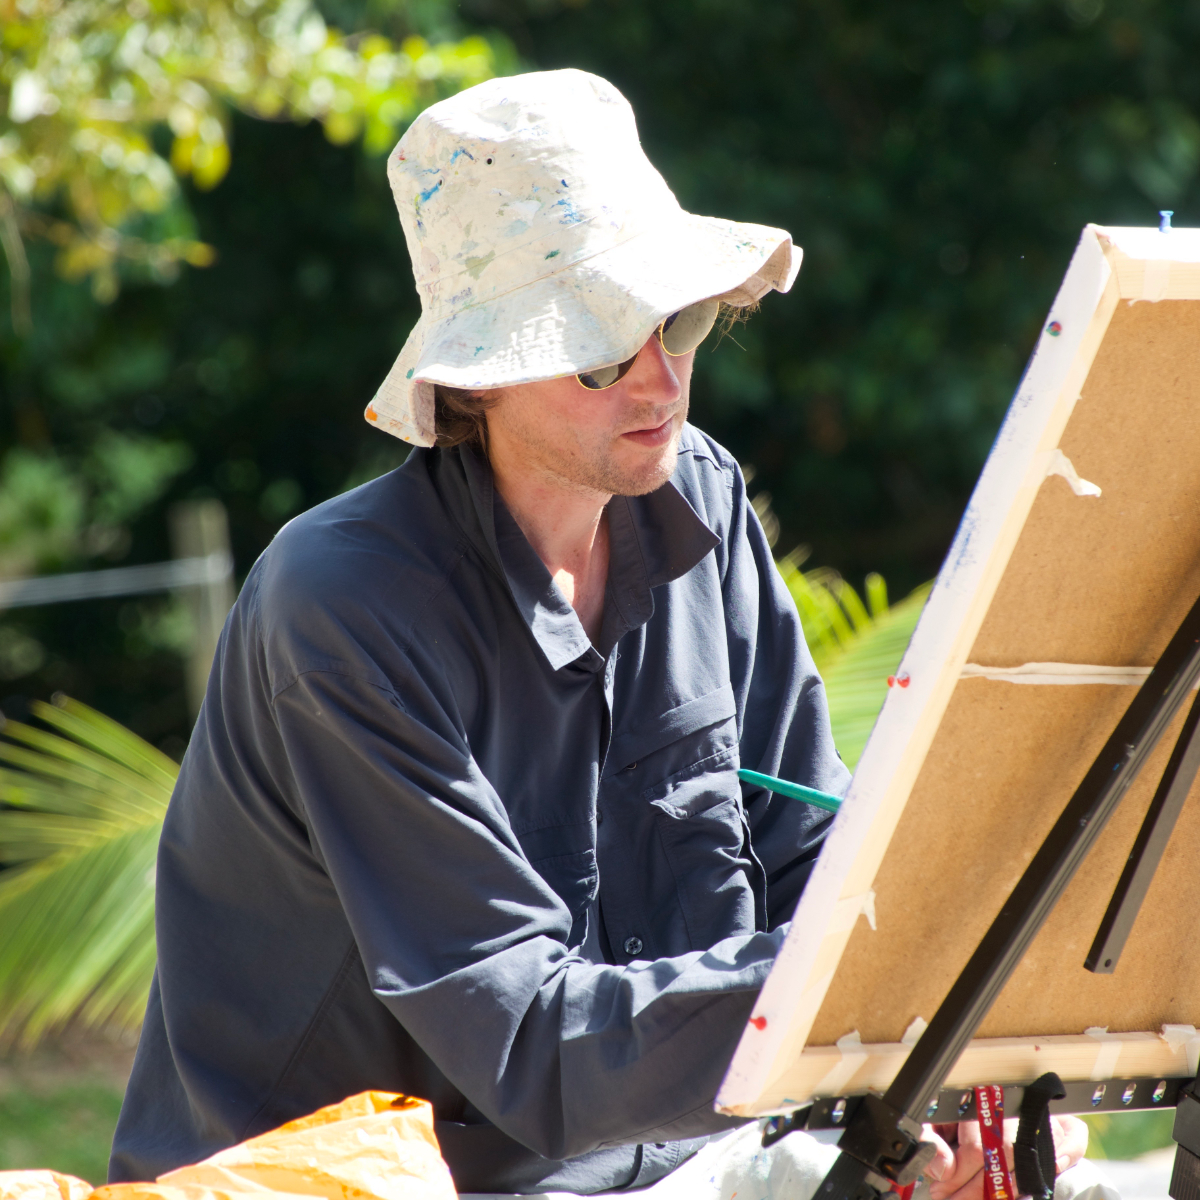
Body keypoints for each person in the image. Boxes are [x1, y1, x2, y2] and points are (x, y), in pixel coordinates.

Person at [109, 69, 1096, 1200]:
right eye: (598, 347)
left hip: (693, 1159)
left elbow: (810, 862)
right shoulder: (341, 608)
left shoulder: (703, 505)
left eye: (675, 321)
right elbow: (533, 1050)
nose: (660, 377)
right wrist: (884, 982)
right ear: (480, 378)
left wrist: (936, 1090)